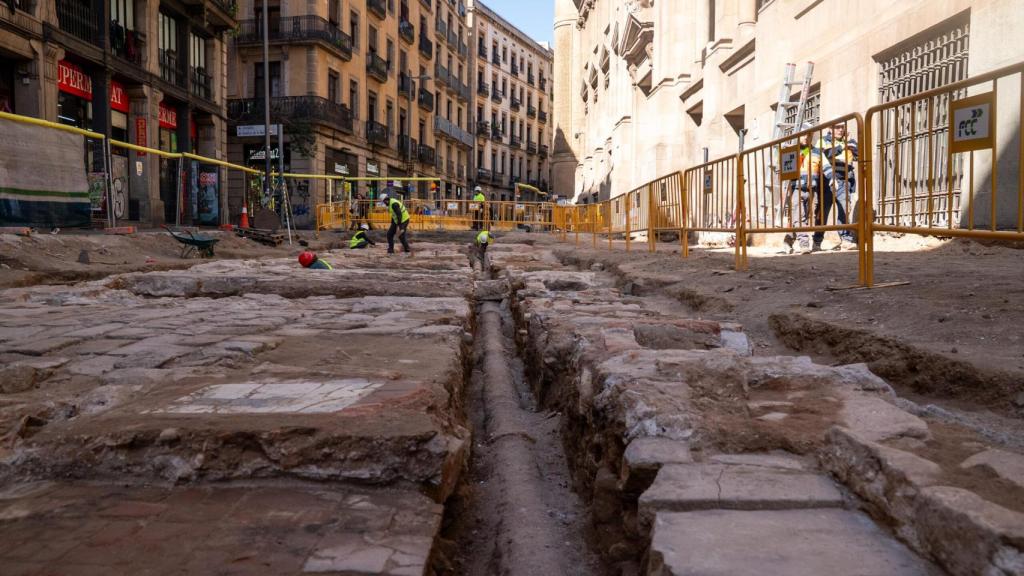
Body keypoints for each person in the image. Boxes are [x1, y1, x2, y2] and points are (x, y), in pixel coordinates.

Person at [783, 126, 829, 254]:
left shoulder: (817, 152)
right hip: (795, 188)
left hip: (811, 190)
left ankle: (788, 240)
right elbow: (783, 171)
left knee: (801, 217)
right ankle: (804, 243)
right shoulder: (792, 151)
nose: (806, 137)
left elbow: (826, 167)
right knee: (800, 216)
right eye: (803, 134)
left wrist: (832, 178)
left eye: (809, 135)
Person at [821, 122, 858, 250]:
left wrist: (851, 142)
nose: (840, 130)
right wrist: (842, 147)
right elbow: (826, 154)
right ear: (829, 128)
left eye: (842, 127)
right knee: (823, 212)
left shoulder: (848, 141)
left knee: (844, 207)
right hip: (828, 180)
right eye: (837, 127)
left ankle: (846, 239)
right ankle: (817, 239)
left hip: (845, 179)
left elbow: (858, 155)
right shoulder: (823, 141)